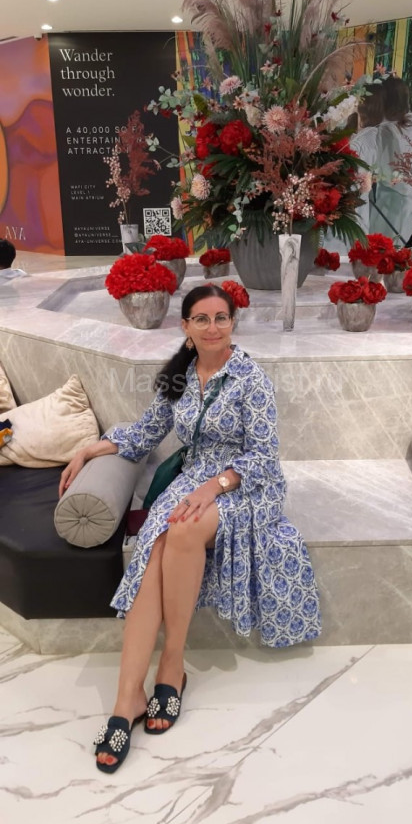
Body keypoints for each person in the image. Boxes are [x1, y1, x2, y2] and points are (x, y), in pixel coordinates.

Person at [60, 284, 321, 774]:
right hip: (194, 478)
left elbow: (264, 456)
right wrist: (91, 448)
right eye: (201, 318)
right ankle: (126, 699)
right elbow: (146, 432)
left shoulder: (250, 379)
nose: (212, 327)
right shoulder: (179, 375)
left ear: (233, 323)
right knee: (155, 547)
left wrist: (215, 487)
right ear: (186, 327)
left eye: (221, 317)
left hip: (246, 484)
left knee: (181, 530)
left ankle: (172, 664)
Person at [369, 77, 412, 242]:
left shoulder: (384, 131)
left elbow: (376, 167)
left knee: (383, 248)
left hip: (390, 204)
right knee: (410, 252)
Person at [350, 83, 385, 233]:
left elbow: (353, 178)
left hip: (352, 207)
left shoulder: (362, 141)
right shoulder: (374, 136)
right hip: (359, 206)